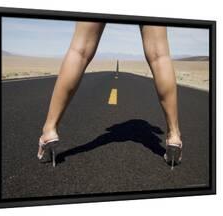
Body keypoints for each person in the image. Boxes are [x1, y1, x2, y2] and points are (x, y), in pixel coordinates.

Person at [37, 22, 182, 168]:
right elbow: (157, 131)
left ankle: (50, 129)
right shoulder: (149, 127)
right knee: (159, 55)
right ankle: (174, 135)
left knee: (79, 50)